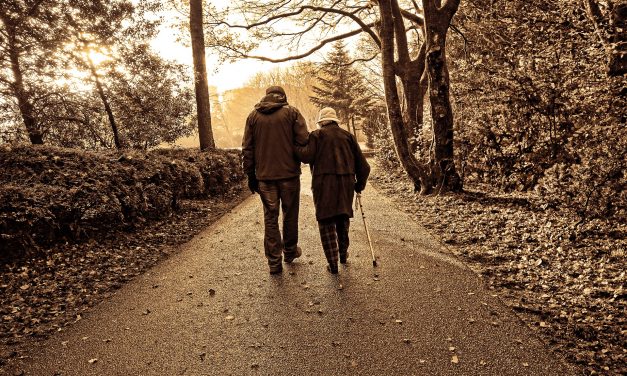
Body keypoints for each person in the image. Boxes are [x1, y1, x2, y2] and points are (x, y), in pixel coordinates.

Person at [242, 86, 309, 274]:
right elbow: (303, 140)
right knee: (290, 214)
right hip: (289, 175)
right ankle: (289, 252)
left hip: (265, 178)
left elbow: (247, 148)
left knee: (270, 218)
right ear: (282, 96)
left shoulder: (253, 116)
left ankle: (274, 262)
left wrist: (250, 175)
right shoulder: (292, 112)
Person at [296, 107, 370, 274]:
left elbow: (306, 156)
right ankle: (343, 255)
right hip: (346, 183)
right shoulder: (348, 136)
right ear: (336, 120)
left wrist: (294, 145)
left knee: (326, 221)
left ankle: (333, 264)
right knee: (342, 218)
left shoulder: (317, 135)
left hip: (324, 183)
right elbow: (364, 167)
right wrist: (359, 185)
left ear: (321, 122)